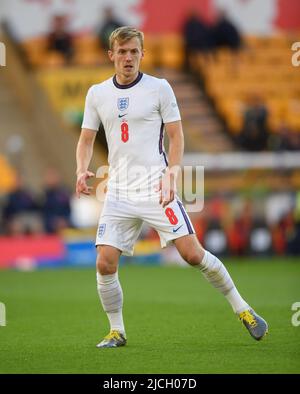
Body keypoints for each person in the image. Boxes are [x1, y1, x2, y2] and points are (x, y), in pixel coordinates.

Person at [76, 26, 268, 348]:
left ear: (142, 54)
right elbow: (85, 140)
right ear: (111, 55)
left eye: (134, 51)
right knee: (104, 262)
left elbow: (177, 136)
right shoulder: (97, 94)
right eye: (122, 52)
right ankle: (116, 331)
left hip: (155, 186)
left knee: (192, 254)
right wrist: (82, 169)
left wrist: (172, 174)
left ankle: (244, 310)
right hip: (120, 191)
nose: (128, 58)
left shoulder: (160, 88)